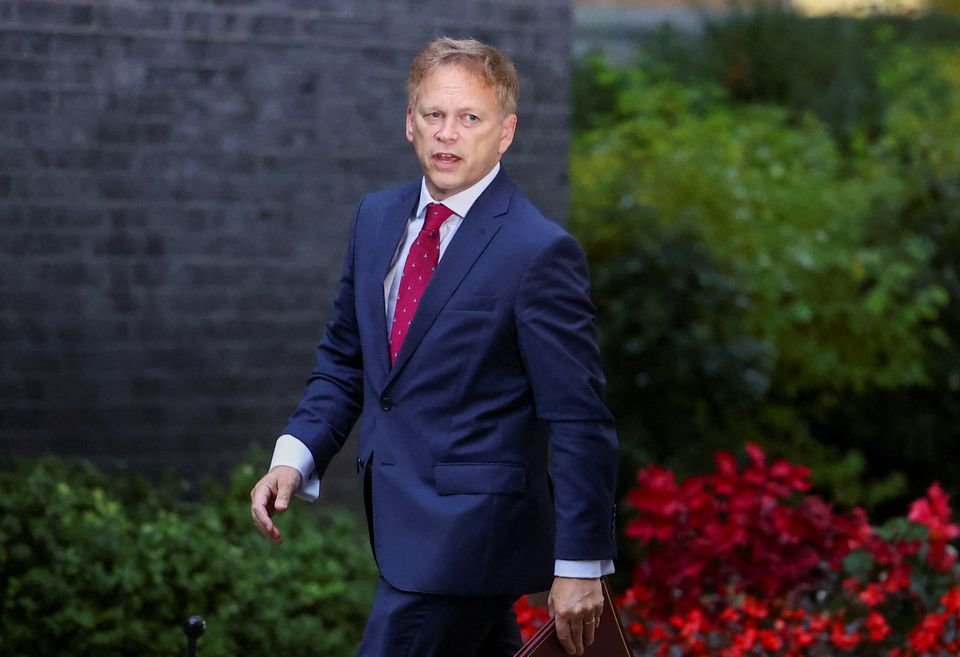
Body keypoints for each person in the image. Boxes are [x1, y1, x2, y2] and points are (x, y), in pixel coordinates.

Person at [250, 36, 618, 657]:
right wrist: (295, 456)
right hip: (406, 527)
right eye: (434, 115)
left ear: (505, 133)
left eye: (470, 118)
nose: (448, 133)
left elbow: (580, 419)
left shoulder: (538, 252)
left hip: (470, 537)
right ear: (409, 124)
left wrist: (581, 562)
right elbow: (346, 361)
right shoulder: (375, 219)